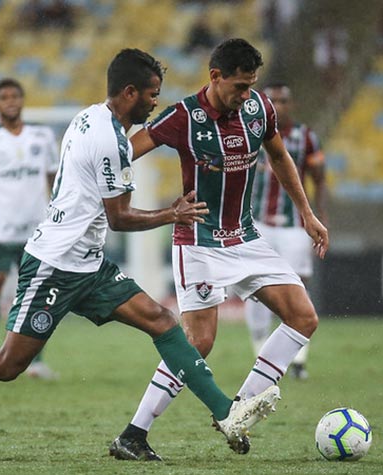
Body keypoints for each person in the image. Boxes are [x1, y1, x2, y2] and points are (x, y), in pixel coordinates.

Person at [0, 48, 281, 454]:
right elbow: (118, 218)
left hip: (89, 265)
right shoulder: (109, 142)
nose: (156, 103)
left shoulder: (90, 116)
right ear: (130, 92)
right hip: (54, 266)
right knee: (6, 366)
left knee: (162, 321)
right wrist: (172, 214)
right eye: (153, 94)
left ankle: (226, 412)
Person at [110, 38, 328, 461]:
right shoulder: (182, 117)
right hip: (198, 242)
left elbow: (281, 157)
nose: (246, 95)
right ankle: (134, 434)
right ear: (215, 77)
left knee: (303, 317)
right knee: (199, 344)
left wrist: (307, 212)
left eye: (251, 86)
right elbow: (127, 153)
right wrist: (136, 201)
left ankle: (238, 409)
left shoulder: (258, 109)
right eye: (239, 87)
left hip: (245, 237)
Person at [0, 77, 59, 380]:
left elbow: (54, 181)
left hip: (37, 231)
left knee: (35, 293)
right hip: (0, 231)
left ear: (22, 100)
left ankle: (35, 363)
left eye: (15, 96)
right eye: (4, 97)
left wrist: (58, 218)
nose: (10, 101)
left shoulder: (42, 136)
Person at [246, 82, 327, 380]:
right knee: (255, 289)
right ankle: (260, 353)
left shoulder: (306, 137)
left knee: (297, 286)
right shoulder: (249, 131)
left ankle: (299, 360)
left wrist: (319, 214)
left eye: (283, 100)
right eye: (273, 101)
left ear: (291, 105)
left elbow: (319, 177)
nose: (278, 106)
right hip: (257, 224)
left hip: (294, 225)